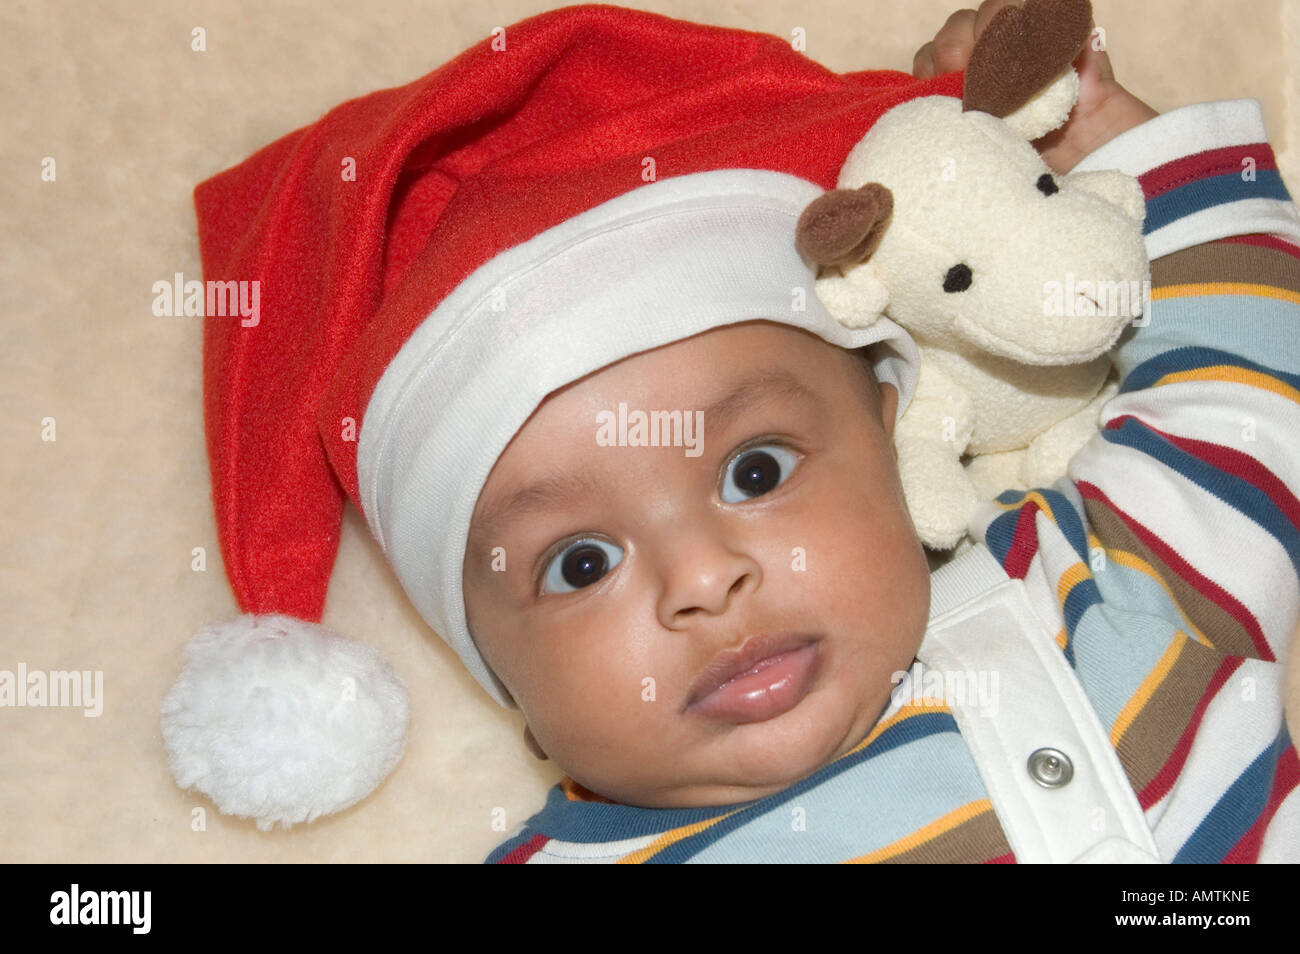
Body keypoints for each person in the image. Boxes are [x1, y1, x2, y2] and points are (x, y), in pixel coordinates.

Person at [164, 1, 1299, 862]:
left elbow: (1243, 384)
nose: (702, 580)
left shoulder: (1090, 581)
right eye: (580, 563)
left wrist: (1106, 138)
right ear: (503, 681)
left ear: (892, 439)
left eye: (754, 470)